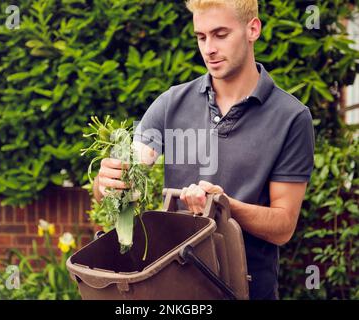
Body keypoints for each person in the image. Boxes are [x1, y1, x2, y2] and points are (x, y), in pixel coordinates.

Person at [93, 0, 315, 300]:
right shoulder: (171, 103)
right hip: (173, 294)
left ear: (253, 29)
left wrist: (223, 205)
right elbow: (129, 175)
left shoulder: (291, 118)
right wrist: (108, 183)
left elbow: (283, 226)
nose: (208, 48)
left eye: (220, 34)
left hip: (247, 292)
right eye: (201, 37)